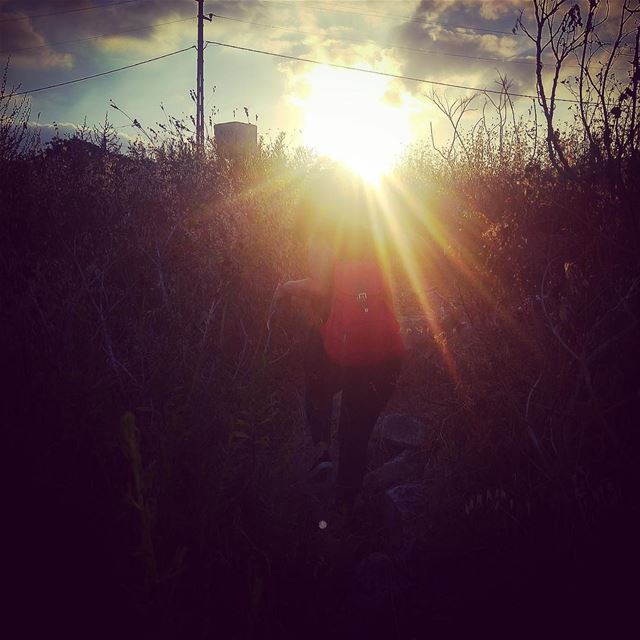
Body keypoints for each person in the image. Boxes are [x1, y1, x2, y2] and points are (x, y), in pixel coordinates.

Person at [275, 168, 405, 517]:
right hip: (386, 352)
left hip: (344, 347)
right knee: (354, 437)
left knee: (316, 382)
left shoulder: (323, 230)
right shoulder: (373, 232)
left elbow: (319, 285)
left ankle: (320, 454)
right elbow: (379, 294)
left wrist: (286, 288)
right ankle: (346, 515)